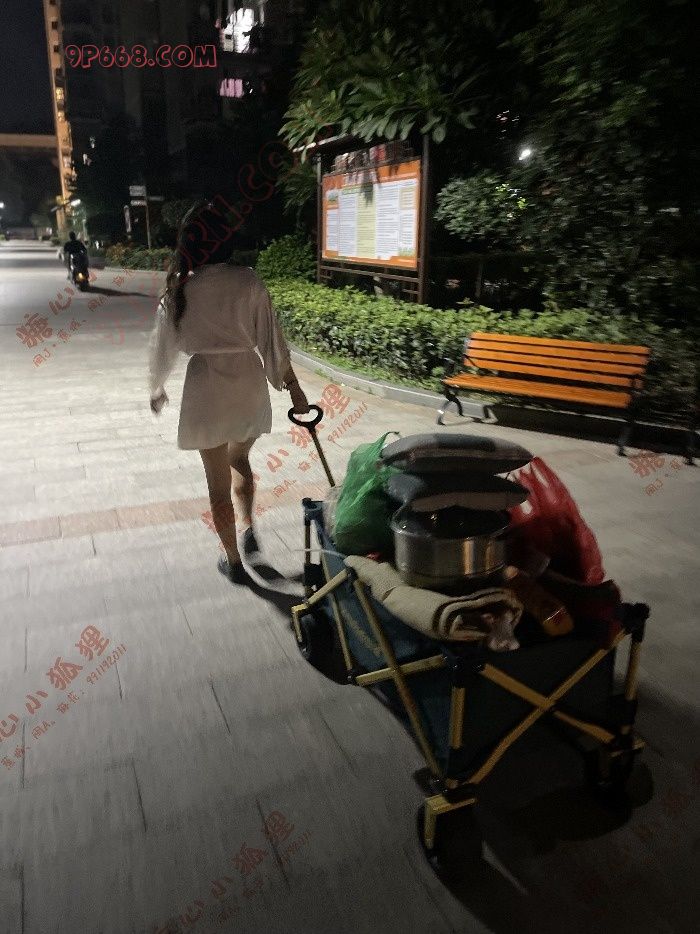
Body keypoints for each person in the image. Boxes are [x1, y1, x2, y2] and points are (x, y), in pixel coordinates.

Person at [147, 203, 311, 584]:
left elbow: (161, 346)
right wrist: (294, 388)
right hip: (247, 386)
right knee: (240, 457)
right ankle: (249, 525)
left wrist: (157, 387)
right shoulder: (248, 281)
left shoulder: (179, 289)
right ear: (227, 241)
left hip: (205, 390)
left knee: (216, 483)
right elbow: (272, 341)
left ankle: (234, 561)